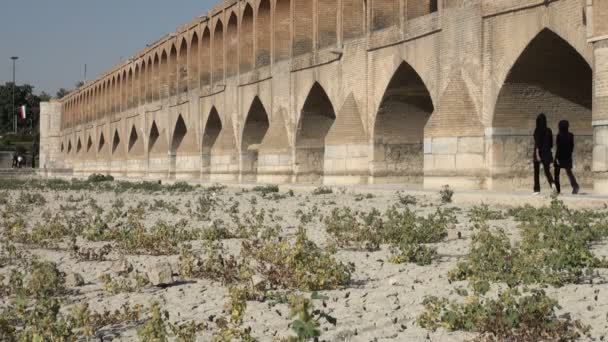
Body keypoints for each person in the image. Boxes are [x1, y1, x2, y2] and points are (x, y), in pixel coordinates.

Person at [554, 120, 579, 194]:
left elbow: (558, 148)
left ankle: (557, 190)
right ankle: (575, 186)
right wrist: (569, 154)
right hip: (568, 156)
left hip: (560, 156)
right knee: (569, 172)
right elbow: (572, 146)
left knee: (557, 173)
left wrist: (556, 158)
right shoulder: (571, 135)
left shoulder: (559, 135)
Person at [533, 113, 555, 194]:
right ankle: (553, 185)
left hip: (538, 153)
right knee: (547, 171)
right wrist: (551, 157)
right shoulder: (549, 130)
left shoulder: (537, 130)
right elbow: (551, 144)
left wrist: (537, 154)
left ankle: (537, 190)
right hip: (547, 153)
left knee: (536, 172)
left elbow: (537, 143)